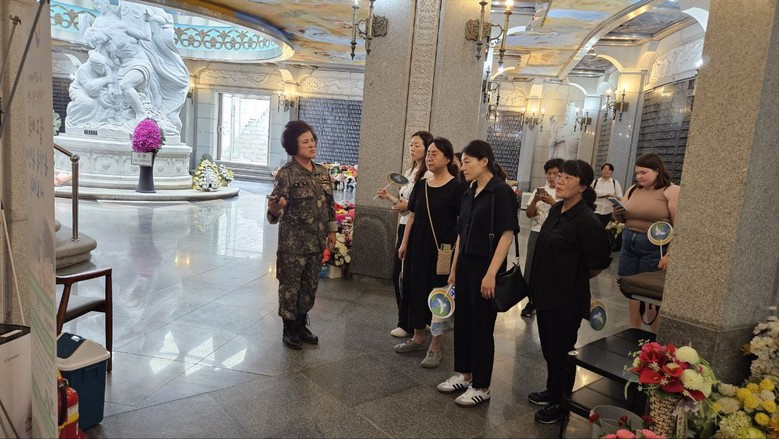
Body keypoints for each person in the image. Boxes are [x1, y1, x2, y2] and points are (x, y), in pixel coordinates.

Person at [527, 160, 612, 424]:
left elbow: (598, 263)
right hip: (545, 293)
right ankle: (552, 390)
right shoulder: (557, 209)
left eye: (567, 178)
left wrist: (571, 277)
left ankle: (562, 403)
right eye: (559, 176)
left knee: (562, 350)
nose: (559, 181)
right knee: (549, 348)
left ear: (583, 186)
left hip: (566, 298)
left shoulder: (587, 221)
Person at [437, 140, 518, 407]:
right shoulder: (469, 191)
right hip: (465, 265)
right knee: (463, 321)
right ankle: (465, 374)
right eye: (462, 162)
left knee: (482, 326)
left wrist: (491, 273)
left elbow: (506, 235)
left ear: (484, 161)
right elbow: (461, 233)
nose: (463, 167)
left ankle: (482, 386)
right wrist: (453, 268)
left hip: (486, 265)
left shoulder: (501, 192)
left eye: (467, 162)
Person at [267, 120, 337, 350]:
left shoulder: (322, 173)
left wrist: (332, 231)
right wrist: (276, 207)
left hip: (316, 243)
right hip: (293, 246)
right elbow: (274, 211)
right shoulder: (286, 174)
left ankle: (301, 323)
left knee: (309, 287)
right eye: (305, 142)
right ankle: (289, 329)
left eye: (312, 140)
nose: (311, 144)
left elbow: (330, 205)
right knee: (290, 288)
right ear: (293, 146)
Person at [396, 137, 464, 368]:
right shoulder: (422, 185)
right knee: (415, 289)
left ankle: (435, 346)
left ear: (447, 159)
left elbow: (461, 226)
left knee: (438, 295)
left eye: (435, 154)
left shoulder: (457, 188)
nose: (429, 157)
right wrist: (404, 243)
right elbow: (412, 216)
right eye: (428, 153)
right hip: (417, 247)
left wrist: (455, 259)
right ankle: (417, 337)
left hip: (442, 251)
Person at [612, 153, 679, 332]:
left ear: (657, 171)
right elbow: (622, 219)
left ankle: (653, 334)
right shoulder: (633, 189)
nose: (639, 176)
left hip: (654, 245)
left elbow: (679, 226)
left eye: (644, 172)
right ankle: (634, 328)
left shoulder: (670, 191)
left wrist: (669, 254)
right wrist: (617, 211)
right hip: (629, 241)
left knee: (650, 292)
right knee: (631, 286)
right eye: (637, 173)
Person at [376, 131, 434, 338]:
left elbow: (419, 206)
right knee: (402, 274)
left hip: (416, 228)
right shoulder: (410, 171)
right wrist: (389, 197)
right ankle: (413, 319)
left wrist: (405, 206)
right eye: (411, 144)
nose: (412, 148)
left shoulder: (427, 175)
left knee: (403, 275)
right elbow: (405, 205)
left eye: (417, 145)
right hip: (404, 224)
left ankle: (409, 322)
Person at [520, 158, 563, 317]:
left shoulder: (562, 193)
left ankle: (546, 300)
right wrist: (535, 201)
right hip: (536, 232)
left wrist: (552, 202)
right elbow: (529, 214)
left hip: (554, 235)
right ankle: (530, 300)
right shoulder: (538, 191)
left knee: (549, 268)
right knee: (531, 267)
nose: (551, 177)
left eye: (555, 173)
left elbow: (564, 215)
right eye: (549, 173)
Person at [592, 163, 624, 228]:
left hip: (609, 212)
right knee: (594, 229)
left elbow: (621, 198)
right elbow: (589, 195)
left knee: (603, 230)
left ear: (612, 172)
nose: (607, 171)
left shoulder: (615, 183)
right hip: (595, 210)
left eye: (609, 170)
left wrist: (613, 196)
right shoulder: (595, 182)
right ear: (601, 171)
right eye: (605, 169)